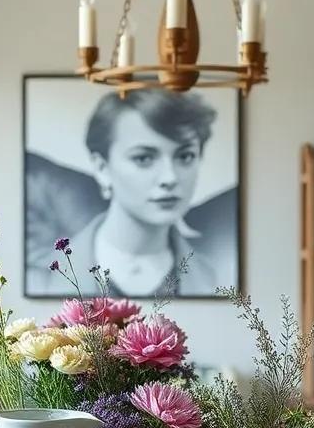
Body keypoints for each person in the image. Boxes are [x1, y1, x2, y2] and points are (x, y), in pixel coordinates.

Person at [27, 89, 220, 296]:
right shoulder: (39, 280)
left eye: (185, 156)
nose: (170, 178)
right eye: (143, 158)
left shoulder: (217, 280)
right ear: (102, 168)